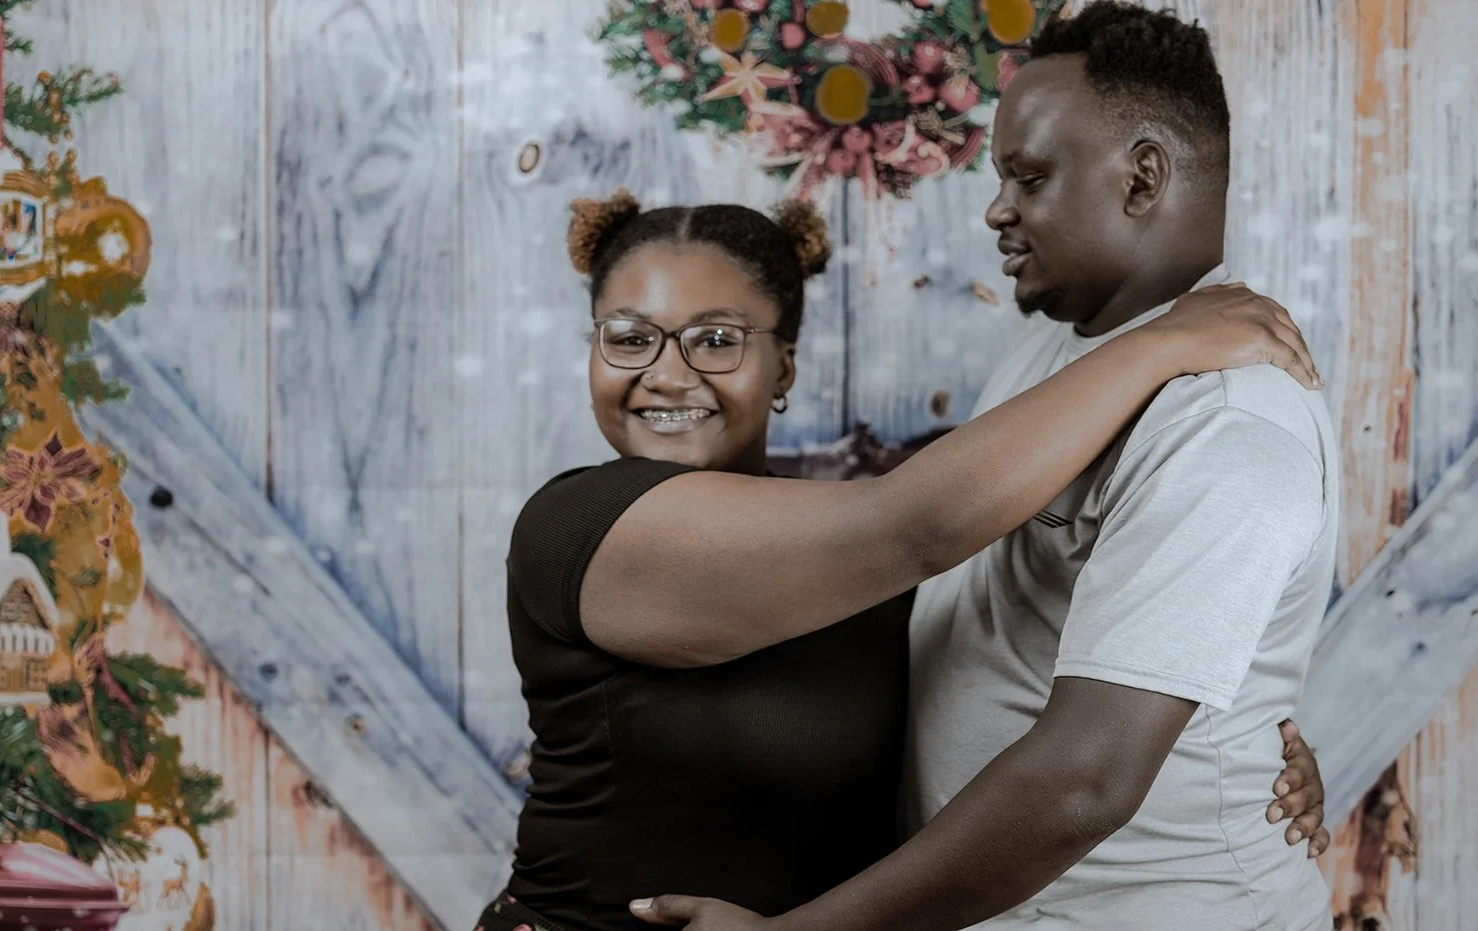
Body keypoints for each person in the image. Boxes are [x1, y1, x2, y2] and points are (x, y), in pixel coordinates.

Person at [628, 4, 1339, 931]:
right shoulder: (1066, 344)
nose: (996, 209)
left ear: (1144, 177)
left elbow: (1088, 777)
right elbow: (933, 552)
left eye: (1029, 177)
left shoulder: (1226, 422)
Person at [479, 176, 1330, 931]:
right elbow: (916, 523)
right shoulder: (577, 524)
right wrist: (1164, 343)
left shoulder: (858, 554)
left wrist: (1257, 761)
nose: (665, 373)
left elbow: (1021, 667)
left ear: (785, 367)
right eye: (629, 337)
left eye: (715, 339)